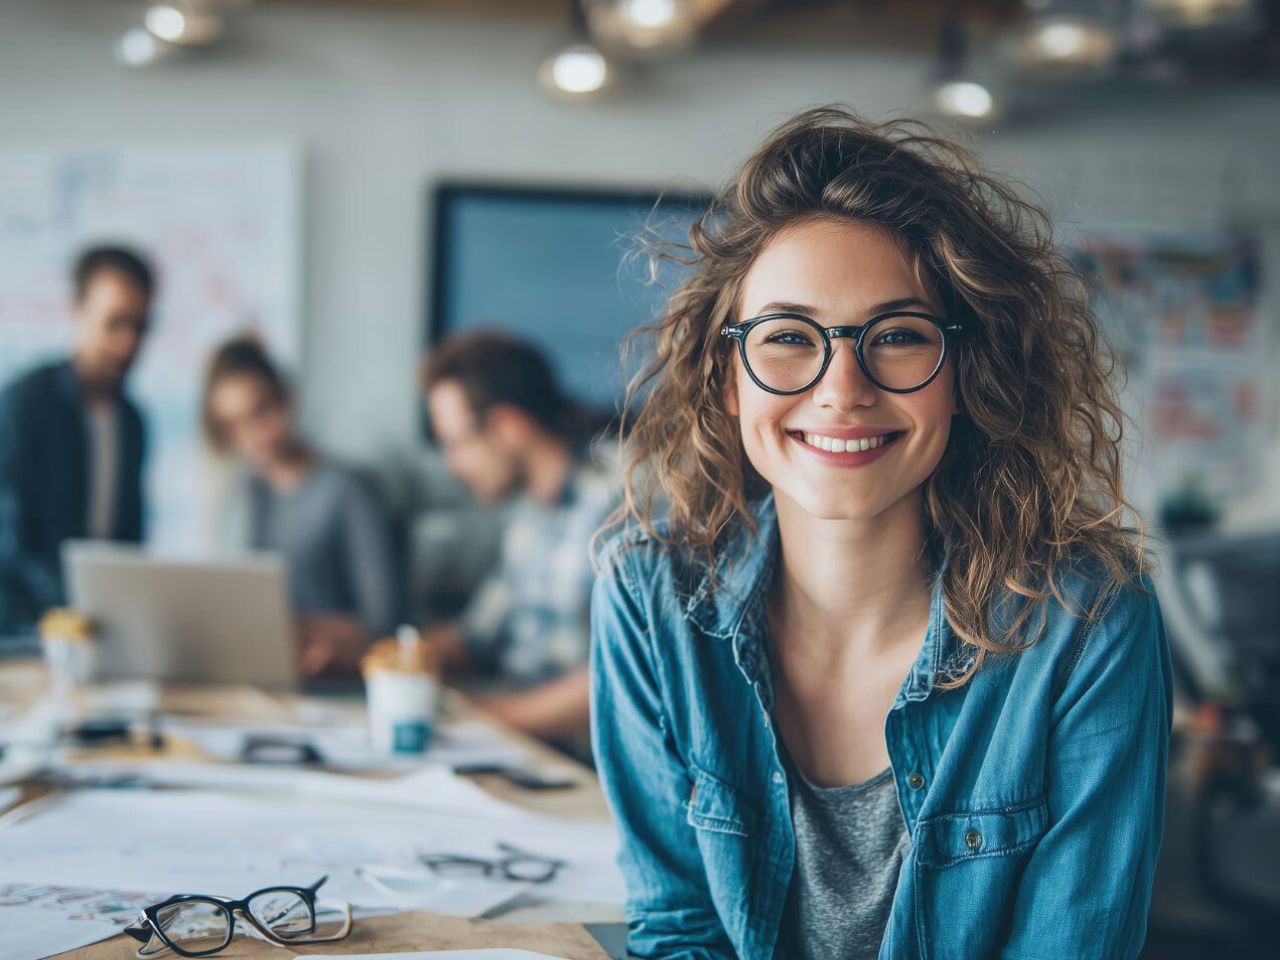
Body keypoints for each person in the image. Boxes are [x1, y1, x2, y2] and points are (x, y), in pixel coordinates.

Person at [590, 108, 1172, 959]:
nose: (842, 388)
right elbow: (681, 929)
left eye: (898, 336)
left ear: (967, 376)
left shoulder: (1085, 628)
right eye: (788, 337)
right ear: (726, 379)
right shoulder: (649, 601)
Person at [420, 331, 618, 745]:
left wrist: (485, 716)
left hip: (576, 761)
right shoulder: (528, 515)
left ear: (508, 426)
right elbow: (476, 635)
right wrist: (392, 661)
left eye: (456, 444)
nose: (453, 467)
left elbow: (628, 670)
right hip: (516, 741)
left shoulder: (624, 495)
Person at [202, 335, 397, 678]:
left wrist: (292, 628)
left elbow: (384, 622)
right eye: (233, 426)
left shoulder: (348, 490)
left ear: (286, 398)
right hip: (264, 674)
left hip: (338, 678)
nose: (251, 435)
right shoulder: (243, 496)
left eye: (260, 411)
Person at [0, 245, 155, 638]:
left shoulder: (132, 421)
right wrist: (75, 607)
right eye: (116, 323)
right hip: (24, 632)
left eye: (140, 326)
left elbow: (128, 540)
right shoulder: (25, 404)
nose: (128, 342)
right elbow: (11, 536)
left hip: (104, 633)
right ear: (78, 310)